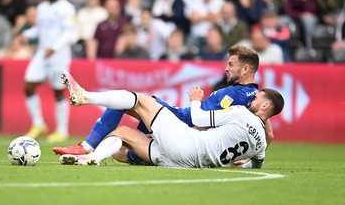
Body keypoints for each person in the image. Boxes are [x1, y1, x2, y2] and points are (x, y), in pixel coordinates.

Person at [53, 45, 275, 164]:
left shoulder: (246, 97)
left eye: (231, 64)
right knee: (122, 147)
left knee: (134, 99)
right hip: (189, 140)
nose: (226, 68)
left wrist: (196, 101)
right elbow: (265, 136)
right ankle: (91, 152)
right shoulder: (250, 98)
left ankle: (86, 115)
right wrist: (241, 156)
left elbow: (261, 128)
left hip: (185, 127)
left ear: (246, 69)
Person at [22, 0, 76, 143]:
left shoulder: (67, 7)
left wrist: (55, 47)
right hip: (42, 53)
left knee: (58, 91)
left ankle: (62, 131)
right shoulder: (42, 7)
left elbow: (69, 32)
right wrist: (25, 35)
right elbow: (40, 29)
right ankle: (38, 124)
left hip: (59, 55)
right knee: (28, 85)